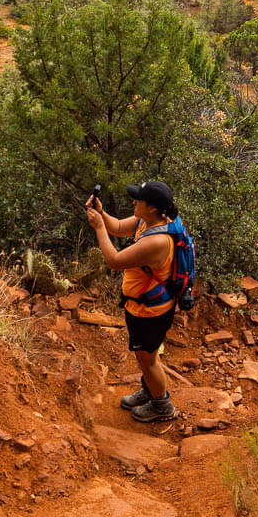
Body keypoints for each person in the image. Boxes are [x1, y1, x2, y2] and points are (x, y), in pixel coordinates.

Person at [86, 180, 178, 422]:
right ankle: (151, 391)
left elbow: (114, 261)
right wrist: (102, 213)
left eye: (139, 199)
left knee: (148, 359)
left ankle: (162, 405)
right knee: (146, 356)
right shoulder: (147, 221)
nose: (133, 201)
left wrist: (98, 227)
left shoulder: (156, 241)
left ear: (153, 208)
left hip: (151, 311)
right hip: (142, 306)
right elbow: (116, 227)